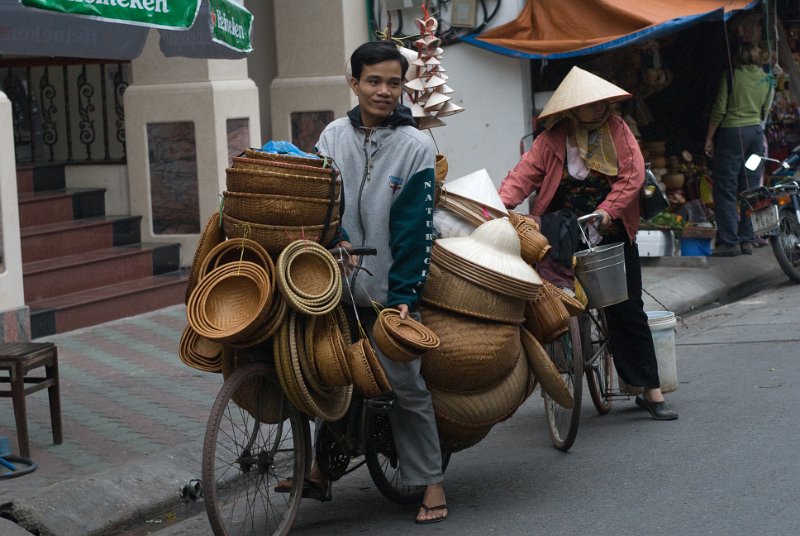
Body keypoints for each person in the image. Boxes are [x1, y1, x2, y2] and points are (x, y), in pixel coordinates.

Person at [315, 40, 448, 524]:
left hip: (389, 290)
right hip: (333, 287)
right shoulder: (330, 137)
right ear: (354, 83)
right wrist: (339, 236)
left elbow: (415, 228)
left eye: (394, 82)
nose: (384, 91)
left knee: (404, 384)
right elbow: (322, 201)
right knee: (324, 374)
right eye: (373, 81)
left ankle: (432, 481)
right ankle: (318, 467)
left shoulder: (415, 146)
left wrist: (405, 298)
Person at [498, 66, 678, 421]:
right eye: (589, 104)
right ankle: (560, 365)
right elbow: (522, 177)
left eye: (601, 103)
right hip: (563, 228)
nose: (598, 109)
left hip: (609, 227)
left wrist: (608, 211)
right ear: (571, 110)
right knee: (552, 301)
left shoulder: (618, 130)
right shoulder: (551, 140)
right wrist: (498, 208)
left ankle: (650, 390)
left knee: (627, 308)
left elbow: (633, 174)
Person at [704, 41, 774, 256]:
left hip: (732, 136)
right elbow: (766, 110)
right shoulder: (768, 78)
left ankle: (729, 242)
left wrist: (709, 137)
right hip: (755, 135)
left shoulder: (732, 75)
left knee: (725, 188)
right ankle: (747, 240)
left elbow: (719, 108)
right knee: (751, 188)